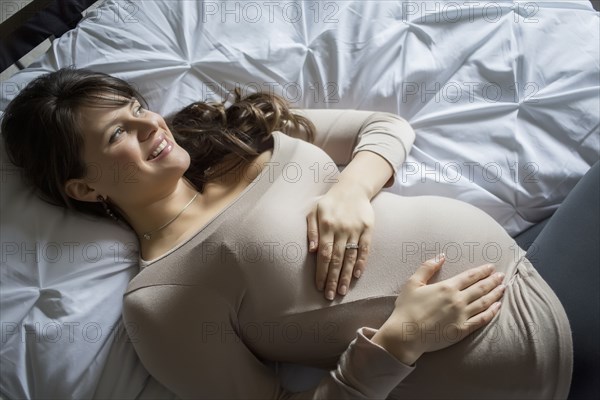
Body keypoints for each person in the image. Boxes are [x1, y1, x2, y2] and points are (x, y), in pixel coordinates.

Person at [1, 68, 577, 399]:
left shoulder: (229, 142)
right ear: (85, 189)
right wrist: (400, 340)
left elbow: (385, 129)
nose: (150, 123)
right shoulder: (162, 298)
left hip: (532, 264)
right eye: (114, 135)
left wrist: (348, 193)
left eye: (135, 105)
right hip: (513, 372)